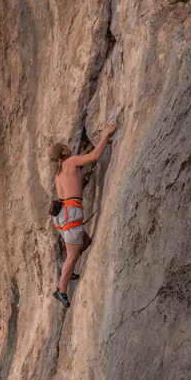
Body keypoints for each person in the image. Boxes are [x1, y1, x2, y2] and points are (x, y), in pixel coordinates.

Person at [47, 121, 117, 308]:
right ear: (62, 153)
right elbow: (95, 155)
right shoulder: (71, 161)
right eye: (64, 147)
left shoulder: (59, 170)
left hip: (62, 213)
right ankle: (61, 290)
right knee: (72, 254)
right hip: (70, 212)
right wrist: (107, 134)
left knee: (84, 243)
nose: (67, 147)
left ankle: (69, 273)